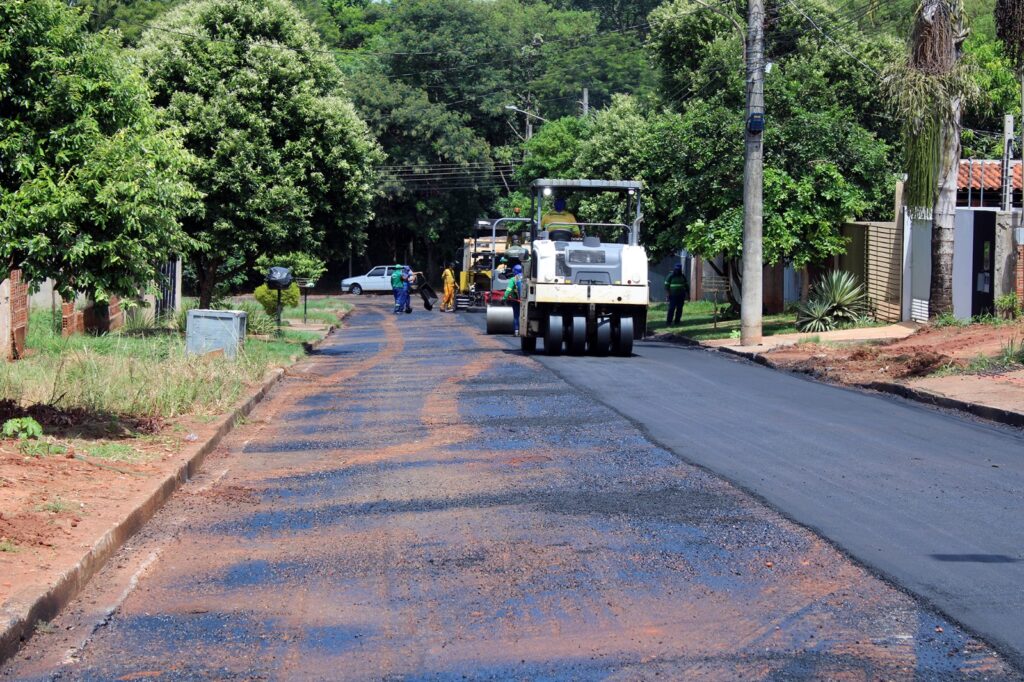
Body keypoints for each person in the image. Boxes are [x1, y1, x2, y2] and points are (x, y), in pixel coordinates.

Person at [503, 264, 525, 336]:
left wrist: (504, 298)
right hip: (525, 301)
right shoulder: (526, 278)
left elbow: (508, 290)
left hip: (515, 300)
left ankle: (516, 331)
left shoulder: (513, 279)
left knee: (516, 315)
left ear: (515, 271)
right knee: (524, 315)